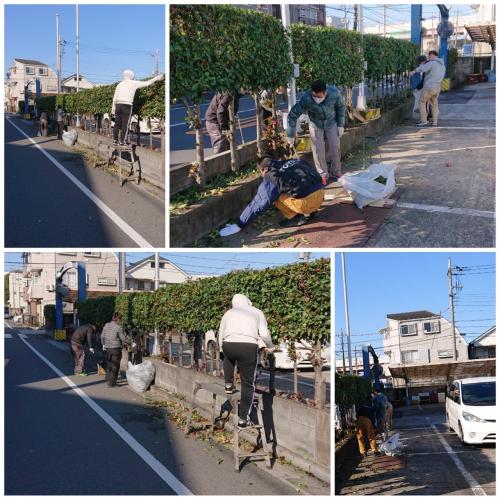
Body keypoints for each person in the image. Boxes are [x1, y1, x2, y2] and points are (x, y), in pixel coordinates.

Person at [219, 155, 324, 237]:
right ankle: (313, 212)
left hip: (306, 204)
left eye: (261, 172)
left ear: (264, 169)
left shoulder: (272, 175)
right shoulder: (294, 161)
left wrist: (239, 224)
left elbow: (260, 202)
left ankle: (296, 217)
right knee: (298, 186)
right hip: (321, 194)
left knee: (276, 197)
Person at [218, 294, 274, 428]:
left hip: (228, 343)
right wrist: (270, 345)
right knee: (248, 383)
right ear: (247, 301)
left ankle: (228, 384)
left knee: (229, 359)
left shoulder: (229, 313)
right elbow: (264, 333)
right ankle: (243, 419)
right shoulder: (257, 312)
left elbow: (221, 332)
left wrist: (222, 348)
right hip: (248, 346)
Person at [287, 80, 345, 184]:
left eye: (319, 97)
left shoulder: (334, 92)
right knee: (318, 150)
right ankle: (322, 174)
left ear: (325, 92)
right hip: (315, 123)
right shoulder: (307, 99)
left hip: (331, 122)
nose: (317, 99)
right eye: (315, 97)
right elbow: (292, 115)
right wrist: (291, 134)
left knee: (335, 146)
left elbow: (340, 107)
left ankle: (336, 171)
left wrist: (340, 124)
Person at [111, 69, 164, 146]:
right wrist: (157, 78)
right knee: (125, 125)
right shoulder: (134, 83)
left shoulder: (119, 84)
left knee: (117, 124)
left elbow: (114, 98)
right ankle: (122, 142)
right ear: (132, 76)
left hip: (118, 105)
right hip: (127, 105)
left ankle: (115, 140)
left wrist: (113, 108)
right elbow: (147, 83)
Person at [410, 50, 445, 127]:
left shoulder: (432, 63)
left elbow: (423, 68)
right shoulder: (442, 65)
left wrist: (414, 71)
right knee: (434, 104)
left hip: (429, 87)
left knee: (422, 102)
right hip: (437, 87)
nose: (428, 57)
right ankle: (435, 122)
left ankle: (423, 120)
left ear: (432, 55)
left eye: (429, 56)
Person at [101, 313, 128, 387]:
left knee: (109, 363)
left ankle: (107, 378)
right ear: (118, 319)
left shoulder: (106, 325)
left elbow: (102, 336)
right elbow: (123, 339)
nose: (120, 321)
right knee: (115, 366)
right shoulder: (118, 327)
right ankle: (111, 383)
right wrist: (130, 343)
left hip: (107, 348)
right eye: (120, 319)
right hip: (116, 348)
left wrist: (103, 344)